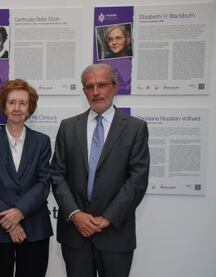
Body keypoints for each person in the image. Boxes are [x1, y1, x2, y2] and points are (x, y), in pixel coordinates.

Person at [51, 63, 149, 277]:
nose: (96, 92)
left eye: (102, 85)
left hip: (115, 233)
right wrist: (76, 214)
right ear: (84, 90)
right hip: (75, 234)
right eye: (89, 86)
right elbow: (57, 175)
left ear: (115, 87)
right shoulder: (68, 127)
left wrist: (108, 217)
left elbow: (137, 179)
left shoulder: (135, 128)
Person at [0, 79, 53, 277]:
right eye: (12, 102)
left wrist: (20, 211)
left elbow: (43, 183)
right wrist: (10, 221)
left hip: (35, 228)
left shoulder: (42, 141)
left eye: (23, 103)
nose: (17, 108)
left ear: (30, 109)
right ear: (4, 107)